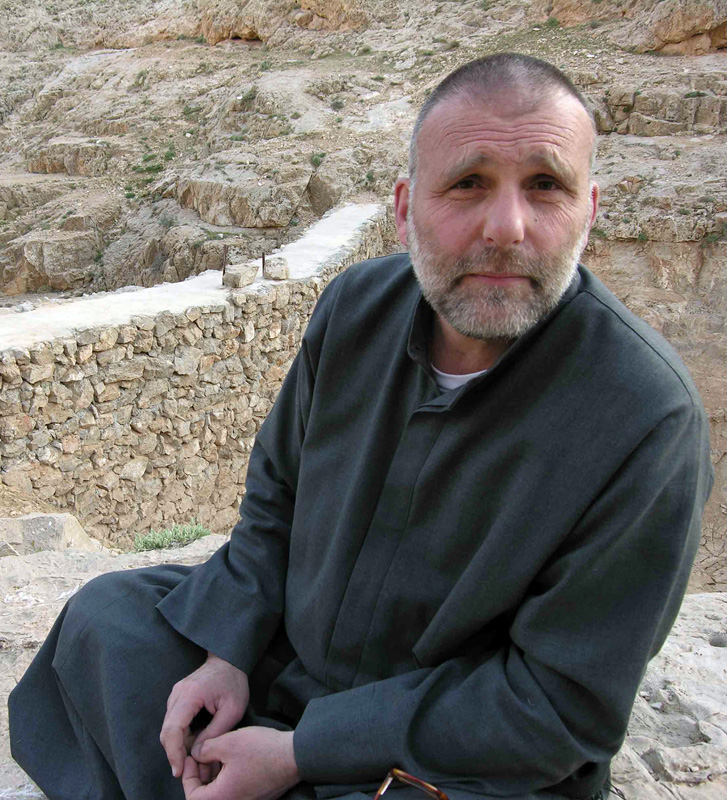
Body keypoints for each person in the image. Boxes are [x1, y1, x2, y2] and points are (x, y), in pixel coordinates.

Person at [9, 54, 713, 800]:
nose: (507, 227)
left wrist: (302, 752)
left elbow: (557, 706)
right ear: (405, 209)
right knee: (108, 618)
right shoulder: (355, 308)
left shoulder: (646, 418)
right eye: (468, 183)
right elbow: (275, 500)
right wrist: (227, 652)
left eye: (545, 186)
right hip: (291, 660)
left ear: (588, 210)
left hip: (441, 745)